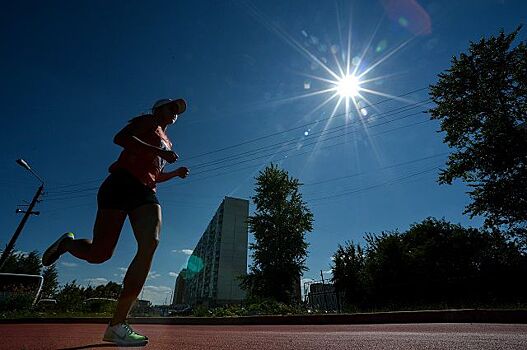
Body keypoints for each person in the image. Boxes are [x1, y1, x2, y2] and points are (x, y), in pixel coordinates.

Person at [42, 98, 190, 346]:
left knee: (150, 243)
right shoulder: (148, 122)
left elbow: (155, 174)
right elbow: (120, 139)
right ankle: (67, 244)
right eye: (171, 108)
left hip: (145, 191)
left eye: (178, 111)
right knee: (100, 254)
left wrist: (175, 173)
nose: (175, 113)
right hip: (120, 184)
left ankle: (117, 324)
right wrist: (159, 151)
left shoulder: (168, 139)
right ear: (158, 109)